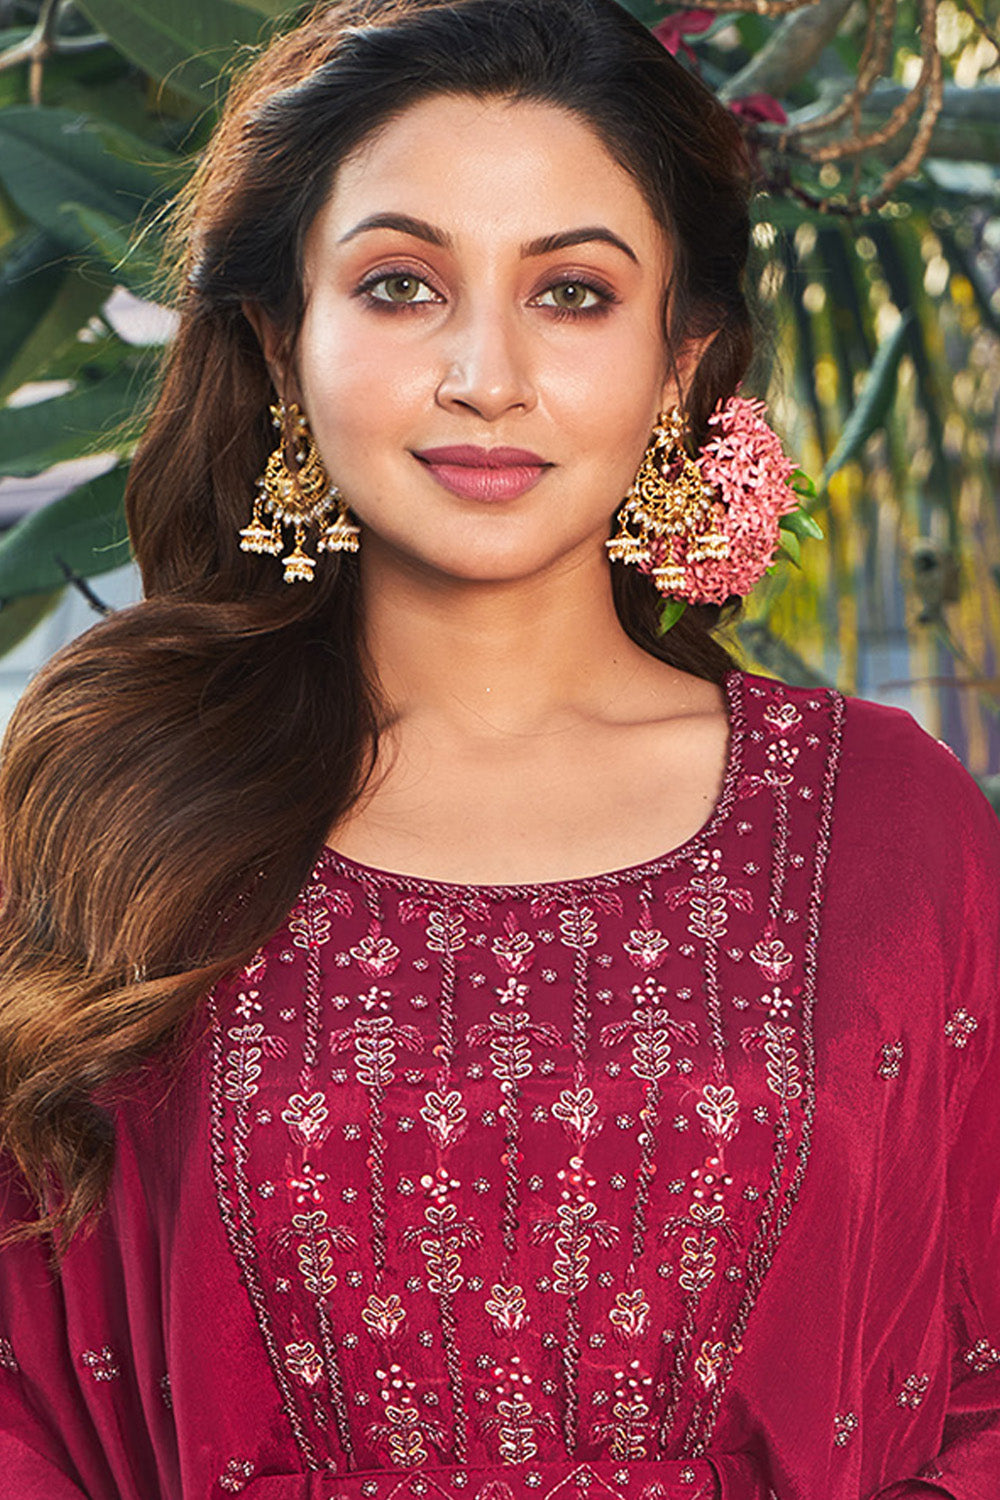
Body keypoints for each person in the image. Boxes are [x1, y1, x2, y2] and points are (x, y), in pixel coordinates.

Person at [0, 1, 997, 1497]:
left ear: (684, 357)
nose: (485, 372)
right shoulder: (114, 807)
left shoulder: (892, 823)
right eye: (401, 285)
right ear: (282, 342)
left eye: (575, 295)